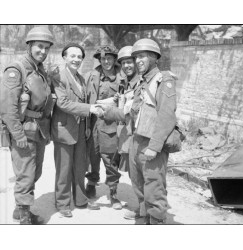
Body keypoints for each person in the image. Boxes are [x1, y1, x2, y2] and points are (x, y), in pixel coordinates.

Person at [101, 38, 177, 224]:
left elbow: (167, 116)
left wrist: (155, 146)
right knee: (138, 181)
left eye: (142, 56)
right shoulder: (142, 83)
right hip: (137, 139)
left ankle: (157, 220)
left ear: (154, 57)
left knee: (154, 185)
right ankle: (144, 213)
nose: (138, 61)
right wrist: (107, 111)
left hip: (151, 143)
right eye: (136, 57)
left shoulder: (163, 80)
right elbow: (131, 112)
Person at [0, 26, 55, 224]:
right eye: (39, 46)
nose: (43, 51)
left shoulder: (39, 70)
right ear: (30, 45)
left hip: (38, 129)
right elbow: (8, 107)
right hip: (24, 131)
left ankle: (19, 209)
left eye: (47, 48)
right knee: (25, 174)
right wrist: (18, 135)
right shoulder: (16, 70)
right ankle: (24, 217)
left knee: (35, 172)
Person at [51, 43, 101, 217]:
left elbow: (84, 102)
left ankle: (80, 199)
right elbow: (63, 103)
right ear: (64, 57)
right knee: (64, 169)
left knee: (80, 167)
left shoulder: (80, 78)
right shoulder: (59, 77)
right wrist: (89, 108)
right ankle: (63, 203)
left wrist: (87, 127)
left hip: (80, 129)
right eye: (72, 56)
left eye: (79, 57)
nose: (76, 60)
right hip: (63, 129)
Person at [85, 45, 123, 209]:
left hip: (111, 125)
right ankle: (92, 183)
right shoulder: (91, 76)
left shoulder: (122, 77)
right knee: (92, 156)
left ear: (115, 59)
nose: (106, 61)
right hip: (93, 123)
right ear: (99, 60)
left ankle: (113, 193)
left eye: (109, 58)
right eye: (103, 58)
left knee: (110, 160)